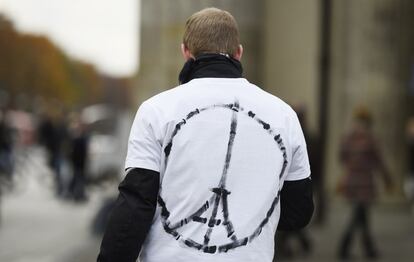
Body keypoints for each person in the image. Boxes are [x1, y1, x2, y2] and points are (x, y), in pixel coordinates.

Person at [98, 7, 313, 262]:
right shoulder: (284, 116)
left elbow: (135, 205)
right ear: (239, 53)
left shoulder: (156, 111)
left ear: (186, 52)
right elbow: (298, 212)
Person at [337, 106, 392, 260]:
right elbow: (379, 161)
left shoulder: (347, 138)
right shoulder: (371, 139)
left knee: (361, 215)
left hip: (352, 181)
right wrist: (387, 178)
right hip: (365, 182)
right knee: (358, 215)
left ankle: (368, 248)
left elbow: (341, 158)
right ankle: (346, 248)